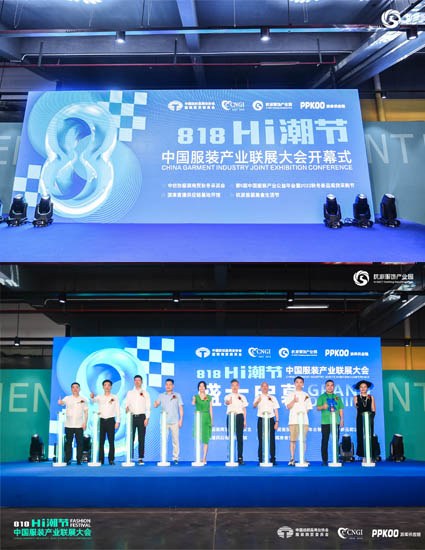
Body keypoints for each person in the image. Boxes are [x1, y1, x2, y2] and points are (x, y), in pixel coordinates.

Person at [90, 379, 120, 465]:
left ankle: (111, 459)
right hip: (102, 420)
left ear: (111, 387)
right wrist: (92, 397)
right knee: (101, 441)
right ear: (103, 387)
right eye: (105, 385)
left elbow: (117, 410)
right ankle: (101, 459)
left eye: (108, 385)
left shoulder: (114, 397)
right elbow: (94, 400)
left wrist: (117, 421)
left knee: (111, 441)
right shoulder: (100, 397)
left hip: (111, 420)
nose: (107, 387)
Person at [154, 378, 183, 465]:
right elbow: (156, 404)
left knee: (175, 440)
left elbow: (180, 407)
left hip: (175, 421)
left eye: (170, 384)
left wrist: (181, 419)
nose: (168, 386)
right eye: (166, 384)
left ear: (173, 386)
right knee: (163, 440)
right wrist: (155, 404)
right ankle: (163, 458)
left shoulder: (177, 395)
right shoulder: (161, 395)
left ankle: (175, 458)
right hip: (164, 422)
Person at [58, 382, 88, 465]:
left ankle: (79, 459)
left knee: (80, 443)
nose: (75, 389)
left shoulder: (83, 399)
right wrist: (60, 402)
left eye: (77, 387)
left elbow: (86, 412)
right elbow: (62, 403)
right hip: (69, 425)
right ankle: (68, 459)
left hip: (79, 425)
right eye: (73, 387)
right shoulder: (67, 398)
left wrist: (85, 423)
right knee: (68, 443)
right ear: (71, 389)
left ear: (79, 389)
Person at [285, 376, 312, 466]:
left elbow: (309, 407)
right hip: (293, 420)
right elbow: (288, 407)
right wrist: (294, 401)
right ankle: (292, 458)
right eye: (297, 382)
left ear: (303, 384)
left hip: (304, 421)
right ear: (294, 384)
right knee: (293, 440)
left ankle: (302, 458)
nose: (299, 384)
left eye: (301, 382)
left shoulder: (306, 395)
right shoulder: (290, 394)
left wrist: (302, 414)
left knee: (303, 440)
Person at [317, 379, 344, 466]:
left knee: (336, 441)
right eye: (328, 385)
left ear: (334, 387)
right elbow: (318, 408)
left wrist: (342, 420)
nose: (330, 387)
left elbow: (340, 409)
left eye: (332, 385)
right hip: (325, 422)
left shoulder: (337, 397)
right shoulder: (321, 397)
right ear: (325, 386)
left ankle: (336, 459)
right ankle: (324, 460)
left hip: (336, 422)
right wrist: (323, 407)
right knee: (325, 441)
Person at [125, 375, 151, 465]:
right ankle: (130, 457)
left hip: (142, 417)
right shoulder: (130, 393)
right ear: (134, 382)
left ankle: (140, 458)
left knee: (141, 438)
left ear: (141, 382)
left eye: (139, 380)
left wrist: (147, 418)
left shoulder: (145, 393)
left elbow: (148, 406)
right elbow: (126, 404)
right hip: (132, 417)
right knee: (130, 438)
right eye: (135, 380)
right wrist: (126, 408)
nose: (137, 382)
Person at [253, 381, 280, 465]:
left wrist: (277, 421)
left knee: (272, 439)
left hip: (270, 419)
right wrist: (258, 401)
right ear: (261, 388)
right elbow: (254, 406)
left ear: (268, 387)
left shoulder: (272, 398)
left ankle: (272, 459)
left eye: (266, 386)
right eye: (263, 386)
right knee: (261, 439)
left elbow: (276, 409)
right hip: (261, 419)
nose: (265, 388)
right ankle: (261, 459)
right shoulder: (258, 397)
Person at [224, 379, 248, 465]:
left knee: (239, 438)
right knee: (230, 437)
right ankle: (230, 457)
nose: (234, 387)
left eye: (236, 385)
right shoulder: (228, 396)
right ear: (231, 386)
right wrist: (228, 402)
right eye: (233, 385)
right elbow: (226, 402)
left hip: (239, 417)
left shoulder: (242, 397)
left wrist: (244, 420)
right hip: (230, 416)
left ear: (238, 386)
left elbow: (244, 409)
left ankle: (240, 458)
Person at [353, 380, 376, 461]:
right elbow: (356, 406)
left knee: (369, 436)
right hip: (360, 418)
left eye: (365, 387)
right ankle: (363, 456)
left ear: (367, 388)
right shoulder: (356, 397)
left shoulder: (371, 397)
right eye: (361, 387)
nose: (363, 388)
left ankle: (370, 455)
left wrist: (371, 417)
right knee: (360, 436)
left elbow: (373, 409)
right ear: (359, 388)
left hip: (369, 418)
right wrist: (358, 403)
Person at [191, 381, 213, 464]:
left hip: (206, 418)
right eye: (200, 386)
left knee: (205, 439)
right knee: (198, 438)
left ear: (205, 387)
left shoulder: (209, 397)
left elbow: (211, 409)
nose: (201, 387)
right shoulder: (196, 396)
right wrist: (194, 400)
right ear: (198, 388)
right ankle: (198, 457)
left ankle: (204, 458)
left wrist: (211, 420)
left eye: (203, 386)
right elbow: (193, 404)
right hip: (198, 418)